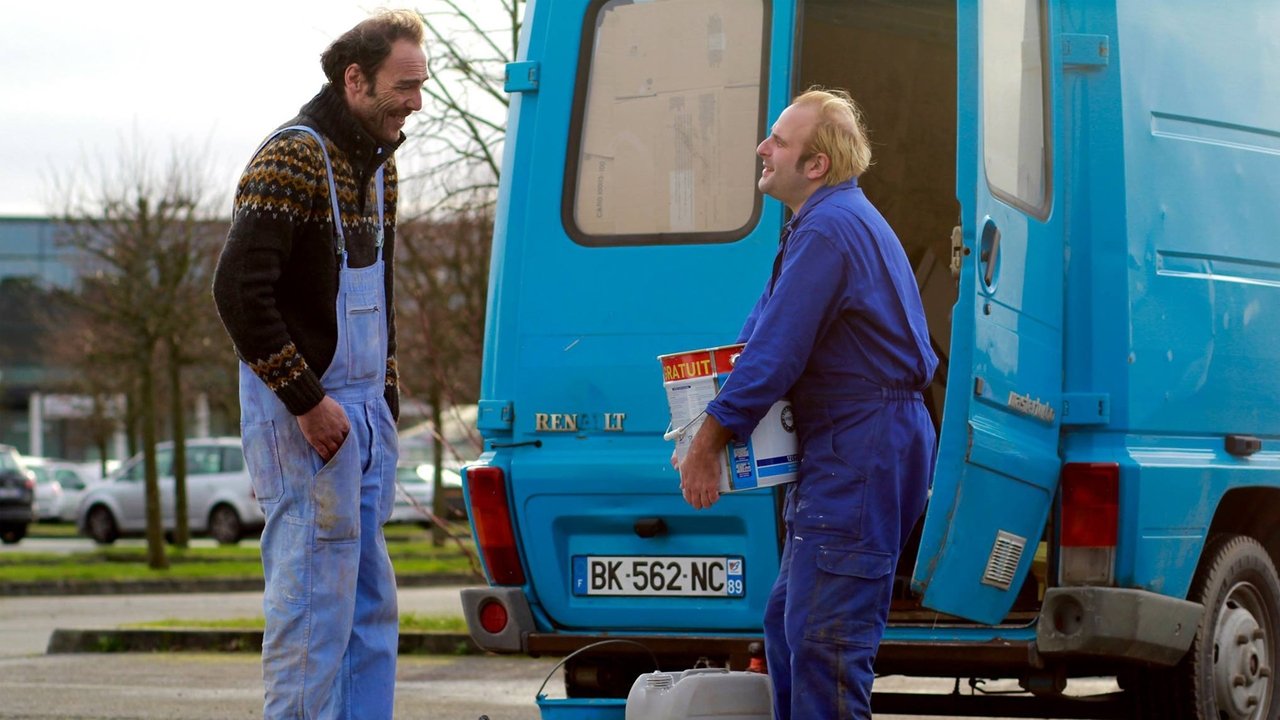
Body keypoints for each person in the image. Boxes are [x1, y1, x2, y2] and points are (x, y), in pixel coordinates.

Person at [676, 88, 938, 719]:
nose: (763, 149)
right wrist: (700, 406)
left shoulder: (829, 227)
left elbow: (776, 354)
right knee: (791, 625)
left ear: (816, 165)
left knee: (827, 641)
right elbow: (760, 334)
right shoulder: (821, 222)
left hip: (863, 444)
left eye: (780, 142)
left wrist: (710, 438)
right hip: (856, 439)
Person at [212, 10, 428, 718]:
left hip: (362, 415)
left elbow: (382, 289)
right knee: (311, 614)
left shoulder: (380, 167)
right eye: (403, 86)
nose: (416, 102)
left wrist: (386, 394)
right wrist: (307, 400)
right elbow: (239, 291)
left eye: (421, 85)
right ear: (355, 79)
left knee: (369, 610)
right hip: (306, 420)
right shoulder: (290, 159)